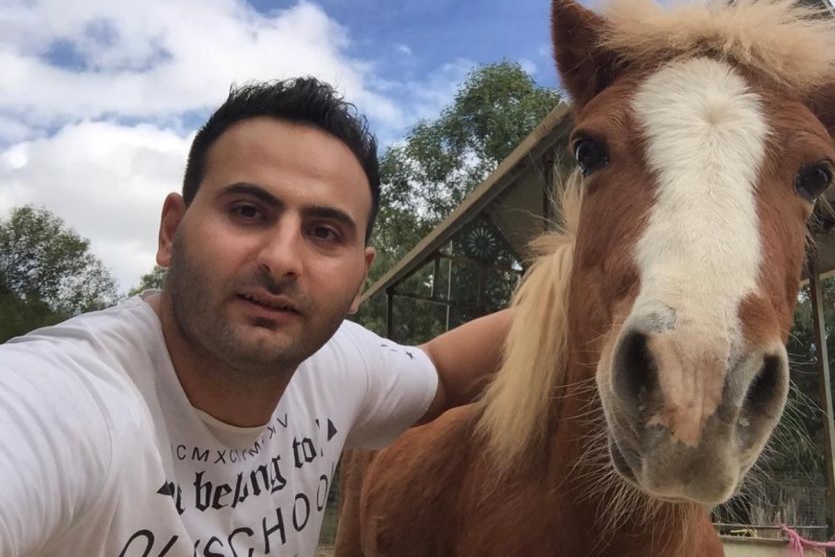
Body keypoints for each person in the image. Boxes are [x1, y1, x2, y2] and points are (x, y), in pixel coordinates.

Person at [0, 78, 510, 557]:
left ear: (359, 280)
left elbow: (442, 370)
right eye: (247, 211)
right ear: (170, 233)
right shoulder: (67, 400)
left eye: (324, 232)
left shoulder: (335, 368)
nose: (282, 259)